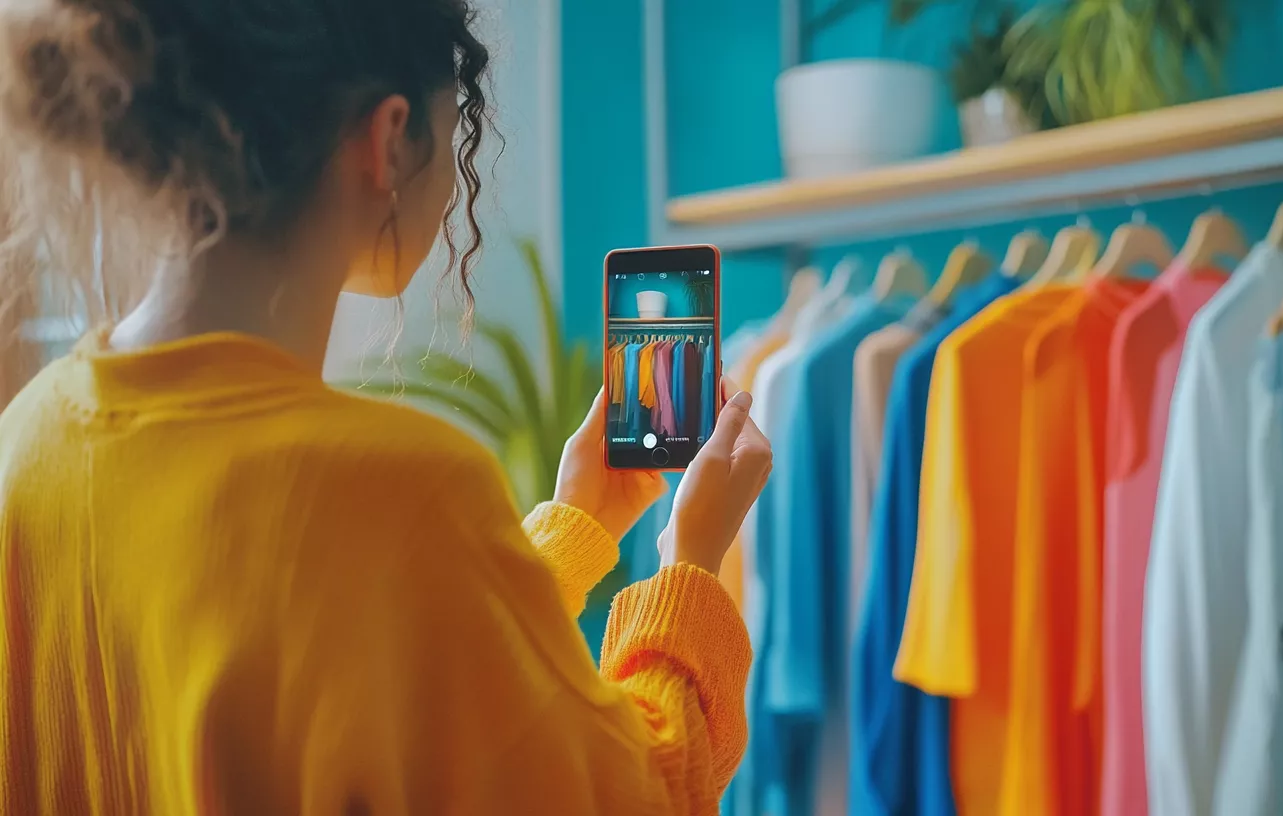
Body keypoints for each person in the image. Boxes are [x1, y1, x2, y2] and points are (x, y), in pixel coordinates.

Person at [0, 1, 771, 813]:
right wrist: (691, 561)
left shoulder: (23, 447)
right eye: (456, 125)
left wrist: (575, 524)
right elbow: (639, 794)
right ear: (391, 138)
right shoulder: (403, 488)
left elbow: (388, 662)